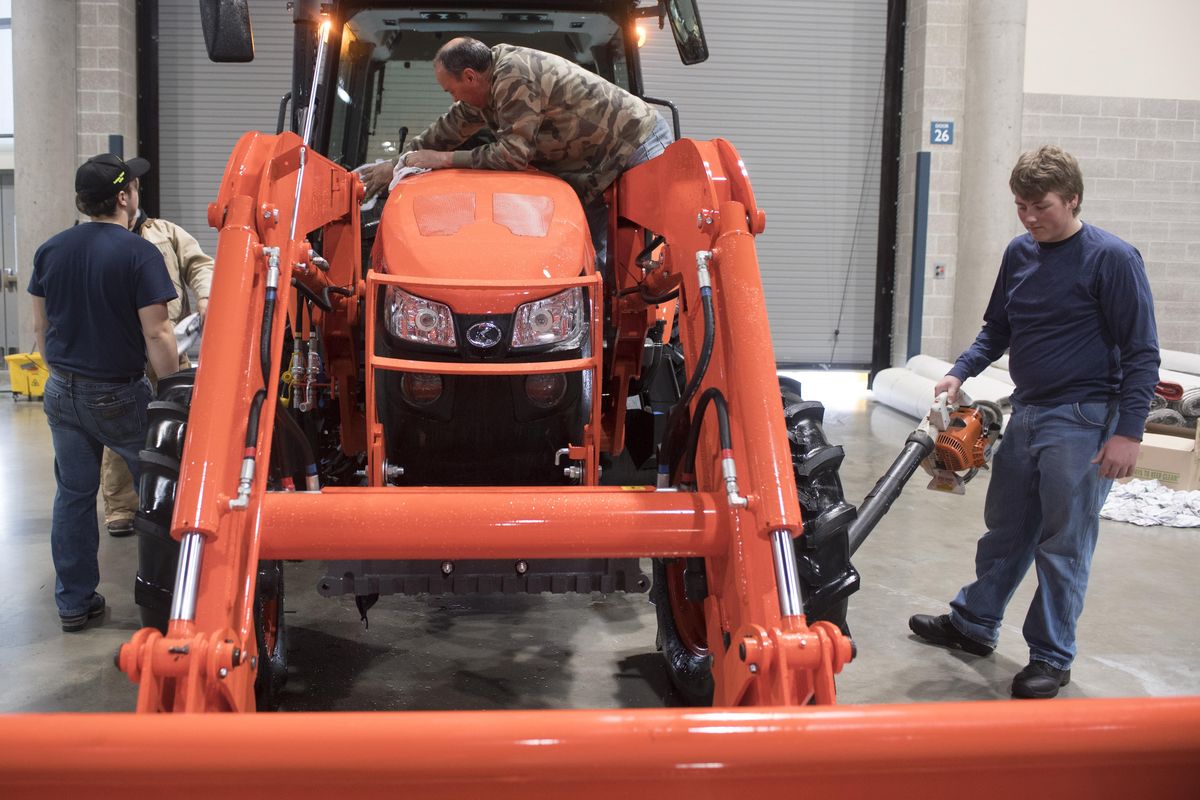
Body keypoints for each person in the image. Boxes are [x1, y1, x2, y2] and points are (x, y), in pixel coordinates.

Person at [907, 146, 1160, 698]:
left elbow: (1142, 353)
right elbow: (997, 327)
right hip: (1027, 411)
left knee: (1063, 543)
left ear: (1072, 199)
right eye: (1020, 205)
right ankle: (974, 624)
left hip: (1086, 418)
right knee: (1007, 529)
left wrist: (1128, 432)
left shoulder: (1111, 258)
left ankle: (1051, 655)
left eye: (1040, 206)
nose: (1028, 217)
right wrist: (959, 372)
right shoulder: (1020, 253)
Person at [28, 154, 179, 632]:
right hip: (117, 394)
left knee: (73, 495)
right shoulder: (138, 253)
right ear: (122, 197)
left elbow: (41, 326)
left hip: (61, 392)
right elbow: (158, 335)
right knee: (162, 490)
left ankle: (73, 602)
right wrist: (172, 395)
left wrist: (66, 378)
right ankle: (173, 596)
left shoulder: (50, 249)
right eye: (133, 186)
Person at [356, 37, 673, 264]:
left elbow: (512, 155)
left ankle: (643, 346)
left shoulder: (513, 74)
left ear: (470, 76)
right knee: (586, 257)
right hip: (595, 168)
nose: (453, 99)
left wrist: (439, 161)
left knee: (644, 260)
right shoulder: (481, 94)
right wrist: (397, 164)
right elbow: (443, 132)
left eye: (452, 90)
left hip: (635, 144)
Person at [100, 209, 213, 537]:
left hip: (168, 346)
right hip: (123, 350)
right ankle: (121, 505)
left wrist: (204, 295)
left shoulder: (166, 233)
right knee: (121, 430)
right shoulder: (103, 240)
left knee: (176, 423)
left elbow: (199, 263)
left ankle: (176, 499)